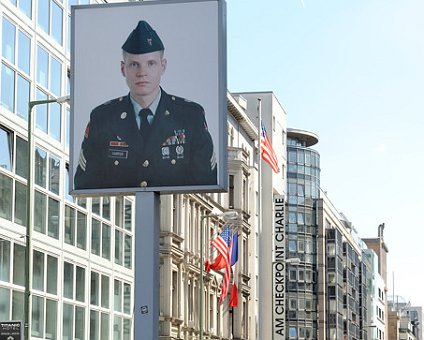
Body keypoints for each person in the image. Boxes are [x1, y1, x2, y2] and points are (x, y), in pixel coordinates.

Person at [74, 20, 217, 190]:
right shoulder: (102, 118)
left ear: (163, 66)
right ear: (123, 69)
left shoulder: (190, 116)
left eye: (151, 64)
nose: (142, 73)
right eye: (134, 64)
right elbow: (85, 184)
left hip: (172, 213)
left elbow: (206, 182)